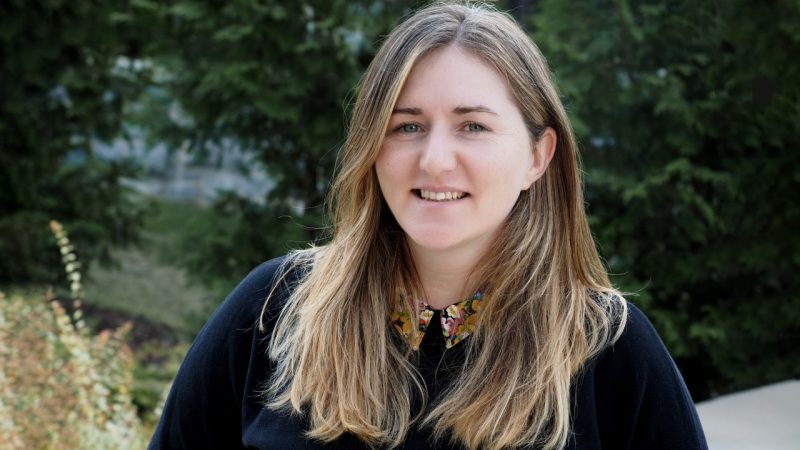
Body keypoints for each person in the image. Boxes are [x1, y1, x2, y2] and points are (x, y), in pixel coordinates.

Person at [149, 2, 708, 449]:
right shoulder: (274, 310)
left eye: (473, 126)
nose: (435, 160)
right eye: (408, 127)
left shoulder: (607, 348)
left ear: (539, 156)